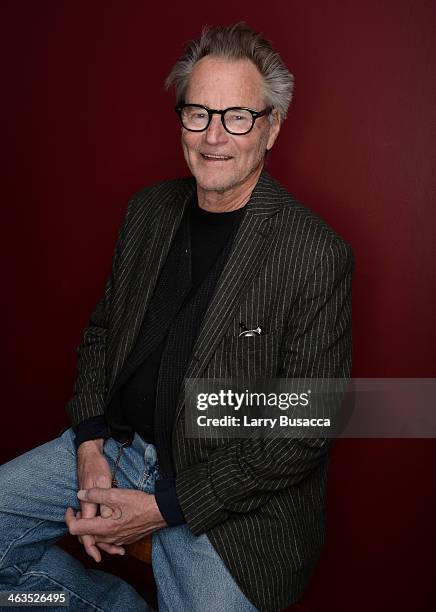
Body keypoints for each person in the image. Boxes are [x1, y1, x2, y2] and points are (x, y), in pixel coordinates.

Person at [0, 22, 354, 612]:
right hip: (116, 448)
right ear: (182, 118)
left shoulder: (315, 253)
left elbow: (306, 427)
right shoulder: (147, 211)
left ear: (271, 128)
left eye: (238, 116)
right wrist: (89, 442)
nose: (214, 136)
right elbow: (103, 333)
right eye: (198, 113)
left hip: (226, 498)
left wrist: (166, 507)